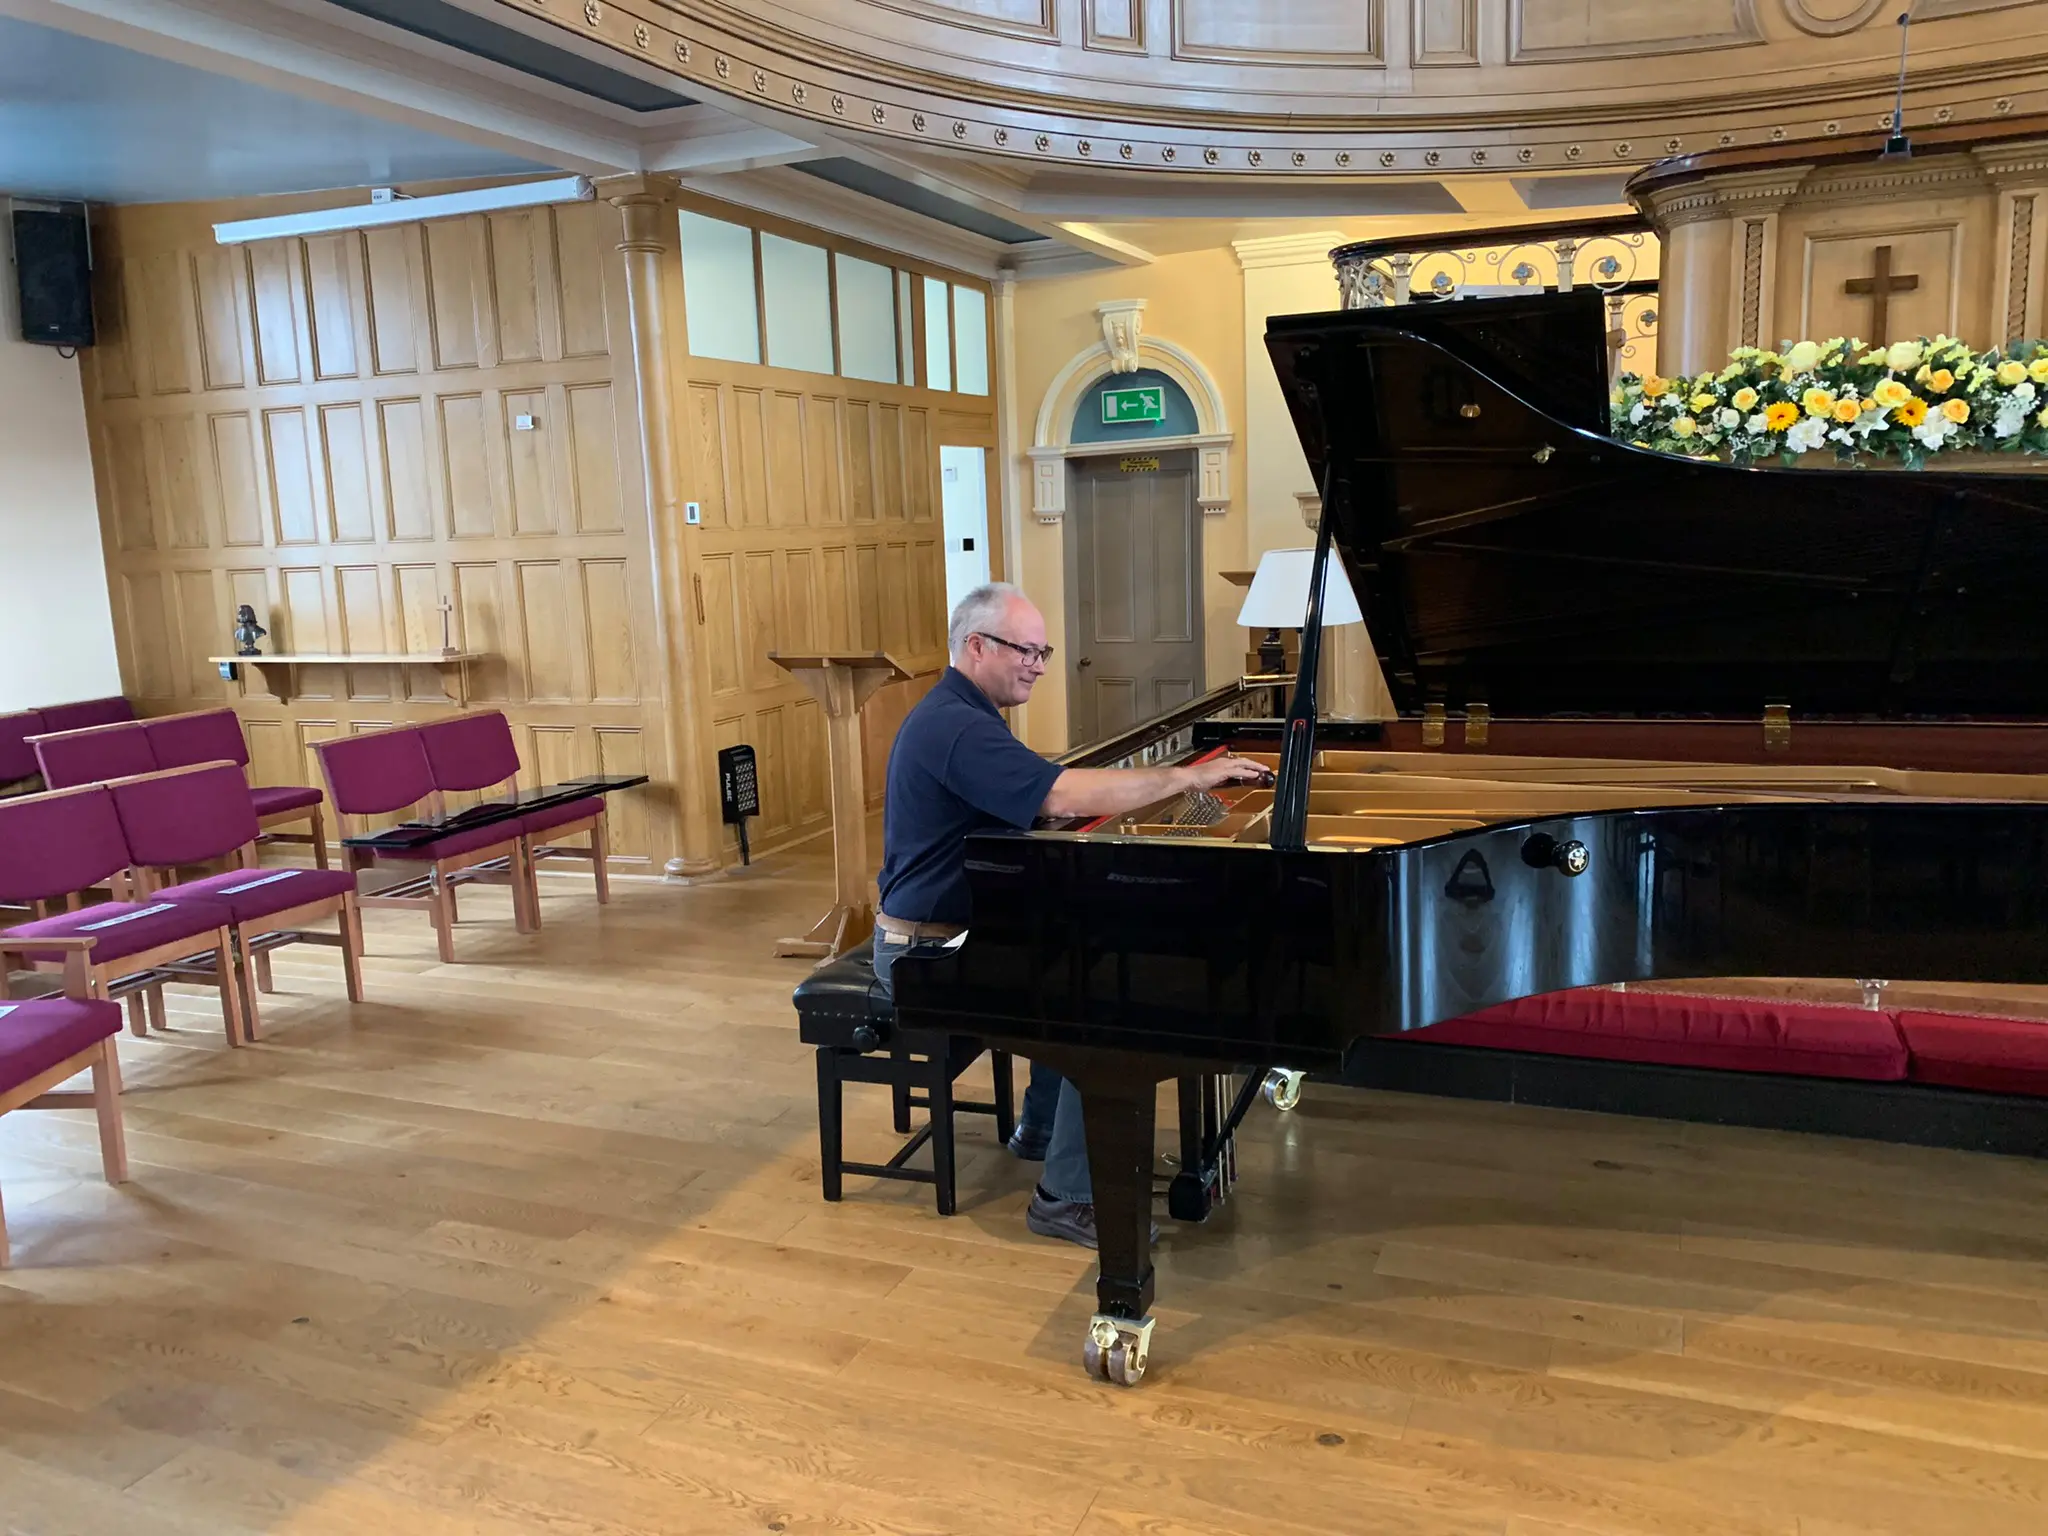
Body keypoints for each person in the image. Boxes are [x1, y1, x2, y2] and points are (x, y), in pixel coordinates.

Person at [871, 582, 1267, 1247]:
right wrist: (1184, 779)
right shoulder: (954, 724)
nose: (1039, 664)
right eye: (1026, 650)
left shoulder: (967, 714)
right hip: (924, 953)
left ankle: (1044, 1131)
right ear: (976, 646)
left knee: (1075, 956)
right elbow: (1055, 789)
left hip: (956, 930)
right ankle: (1066, 1198)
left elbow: (1039, 801)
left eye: (1043, 650)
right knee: (1106, 1006)